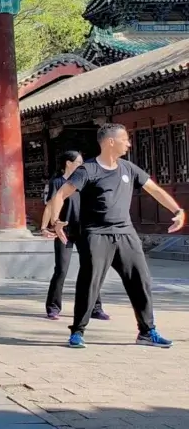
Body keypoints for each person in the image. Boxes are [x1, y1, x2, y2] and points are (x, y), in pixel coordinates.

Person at [46, 124, 184, 349]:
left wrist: (178, 211)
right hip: (96, 234)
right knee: (90, 282)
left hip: (126, 233)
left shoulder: (128, 168)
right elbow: (61, 194)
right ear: (111, 142)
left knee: (141, 280)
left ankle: (147, 331)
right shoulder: (88, 170)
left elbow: (155, 190)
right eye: (125, 139)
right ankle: (78, 331)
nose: (128, 144)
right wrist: (56, 221)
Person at [40, 150, 108, 321]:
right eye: (78, 162)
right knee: (61, 270)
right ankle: (53, 307)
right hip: (64, 232)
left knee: (91, 269)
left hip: (85, 230)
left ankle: (95, 308)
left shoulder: (84, 181)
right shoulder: (57, 182)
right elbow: (49, 206)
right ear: (68, 163)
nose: (81, 165)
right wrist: (44, 227)